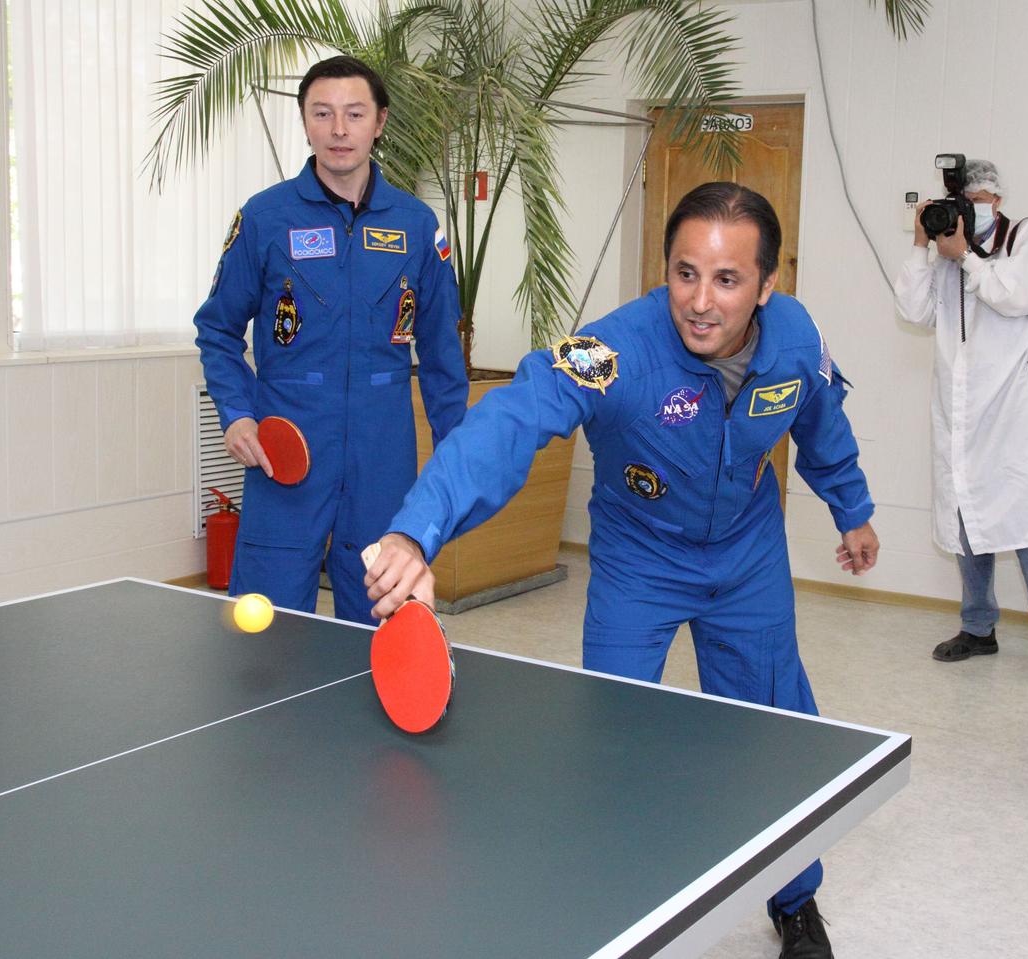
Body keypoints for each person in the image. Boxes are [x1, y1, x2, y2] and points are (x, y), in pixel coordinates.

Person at [366, 182, 879, 959]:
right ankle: (619, 900)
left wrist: (852, 507)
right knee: (615, 732)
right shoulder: (616, 351)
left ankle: (795, 901)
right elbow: (512, 417)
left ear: (769, 285)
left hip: (747, 557)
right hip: (640, 559)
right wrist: (417, 529)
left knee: (770, 728)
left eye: (728, 279)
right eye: (684, 273)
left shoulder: (797, 339)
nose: (700, 302)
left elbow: (820, 422)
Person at [194, 55, 468, 626]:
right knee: (264, 630)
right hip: (287, 458)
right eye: (323, 113)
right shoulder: (266, 219)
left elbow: (442, 354)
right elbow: (217, 328)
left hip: (383, 460)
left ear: (380, 121)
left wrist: (454, 452)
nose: (339, 129)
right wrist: (237, 414)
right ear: (305, 121)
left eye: (354, 113)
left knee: (382, 629)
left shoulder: (418, 227)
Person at [893, 159, 1028, 690]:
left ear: (996, 200)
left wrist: (965, 257)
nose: (969, 206)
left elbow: (1014, 295)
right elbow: (912, 310)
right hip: (959, 414)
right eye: (962, 197)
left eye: (977, 197)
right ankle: (979, 629)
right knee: (966, 525)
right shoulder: (947, 252)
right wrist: (922, 246)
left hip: (1014, 414)